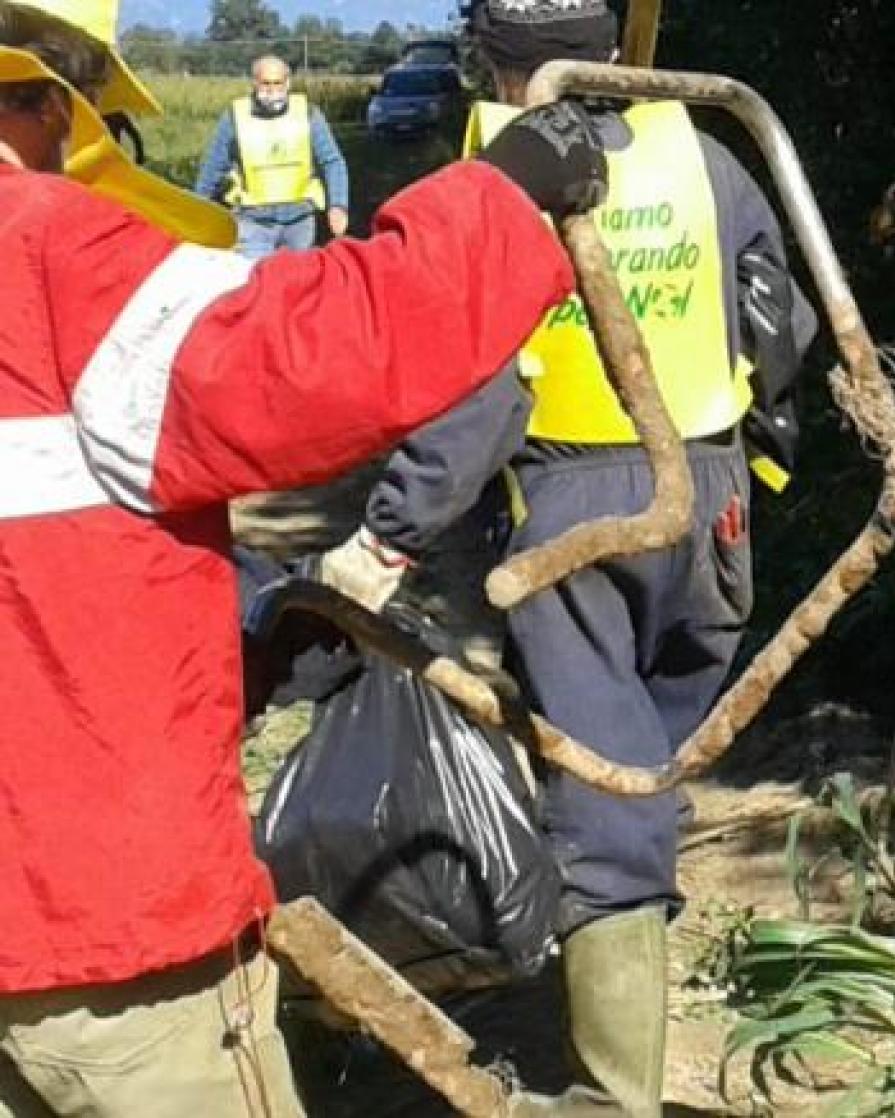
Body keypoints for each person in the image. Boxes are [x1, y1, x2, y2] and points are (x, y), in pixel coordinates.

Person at [0, 0, 608, 1112]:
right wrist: (503, 195)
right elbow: (302, 359)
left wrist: (247, 631)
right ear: (44, 107)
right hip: (87, 927)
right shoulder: (39, 243)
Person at [320, 2, 818, 1113]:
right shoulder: (705, 151)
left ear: (494, 64)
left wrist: (389, 536)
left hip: (570, 516)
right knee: (648, 756)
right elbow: (776, 322)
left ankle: (612, 1094)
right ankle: (617, 937)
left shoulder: (499, 180)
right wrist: (757, 467)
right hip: (710, 504)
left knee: (606, 796)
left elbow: (479, 393)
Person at [194, 54, 350, 258]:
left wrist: (338, 205)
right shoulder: (235, 116)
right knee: (257, 276)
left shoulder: (308, 114)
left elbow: (332, 162)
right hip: (253, 221)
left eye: (278, 83)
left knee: (297, 277)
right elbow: (214, 166)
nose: (272, 90)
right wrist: (197, 211)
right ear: (254, 82)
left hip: (299, 221)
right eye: (265, 83)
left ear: (288, 83)